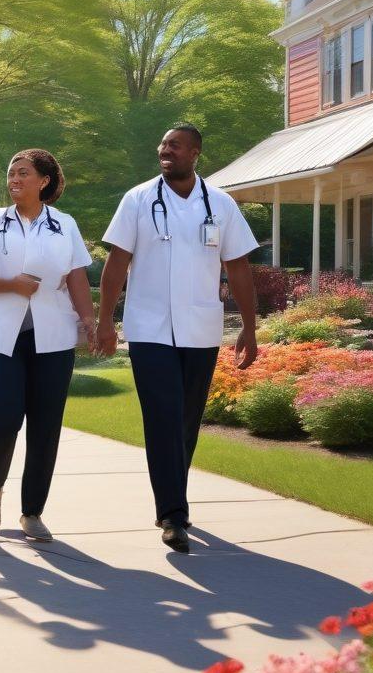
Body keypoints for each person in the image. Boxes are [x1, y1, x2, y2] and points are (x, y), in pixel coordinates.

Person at [97, 123, 258, 554]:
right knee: (163, 416)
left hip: (200, 330)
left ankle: (173, 498)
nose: (165, 150)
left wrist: (250, 326)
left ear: (195, 154)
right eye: (163, 144)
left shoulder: (220, 205)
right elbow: (117, 263)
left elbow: (239, 268)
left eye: (175, 145)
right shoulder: (137, 199)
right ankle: (173, 513)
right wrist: (104, 321)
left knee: (186, 421)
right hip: (148, 329)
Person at [0, 149, 97, 542]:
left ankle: (32, 511)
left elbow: (75, 278)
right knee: (2, 420)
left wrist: (89, 321)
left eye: (23, 173)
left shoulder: (64, 224)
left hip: (53, 336)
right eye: (10, 173)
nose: (14, 179)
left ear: (44, 181)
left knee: (45, 425)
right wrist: (11, 285)